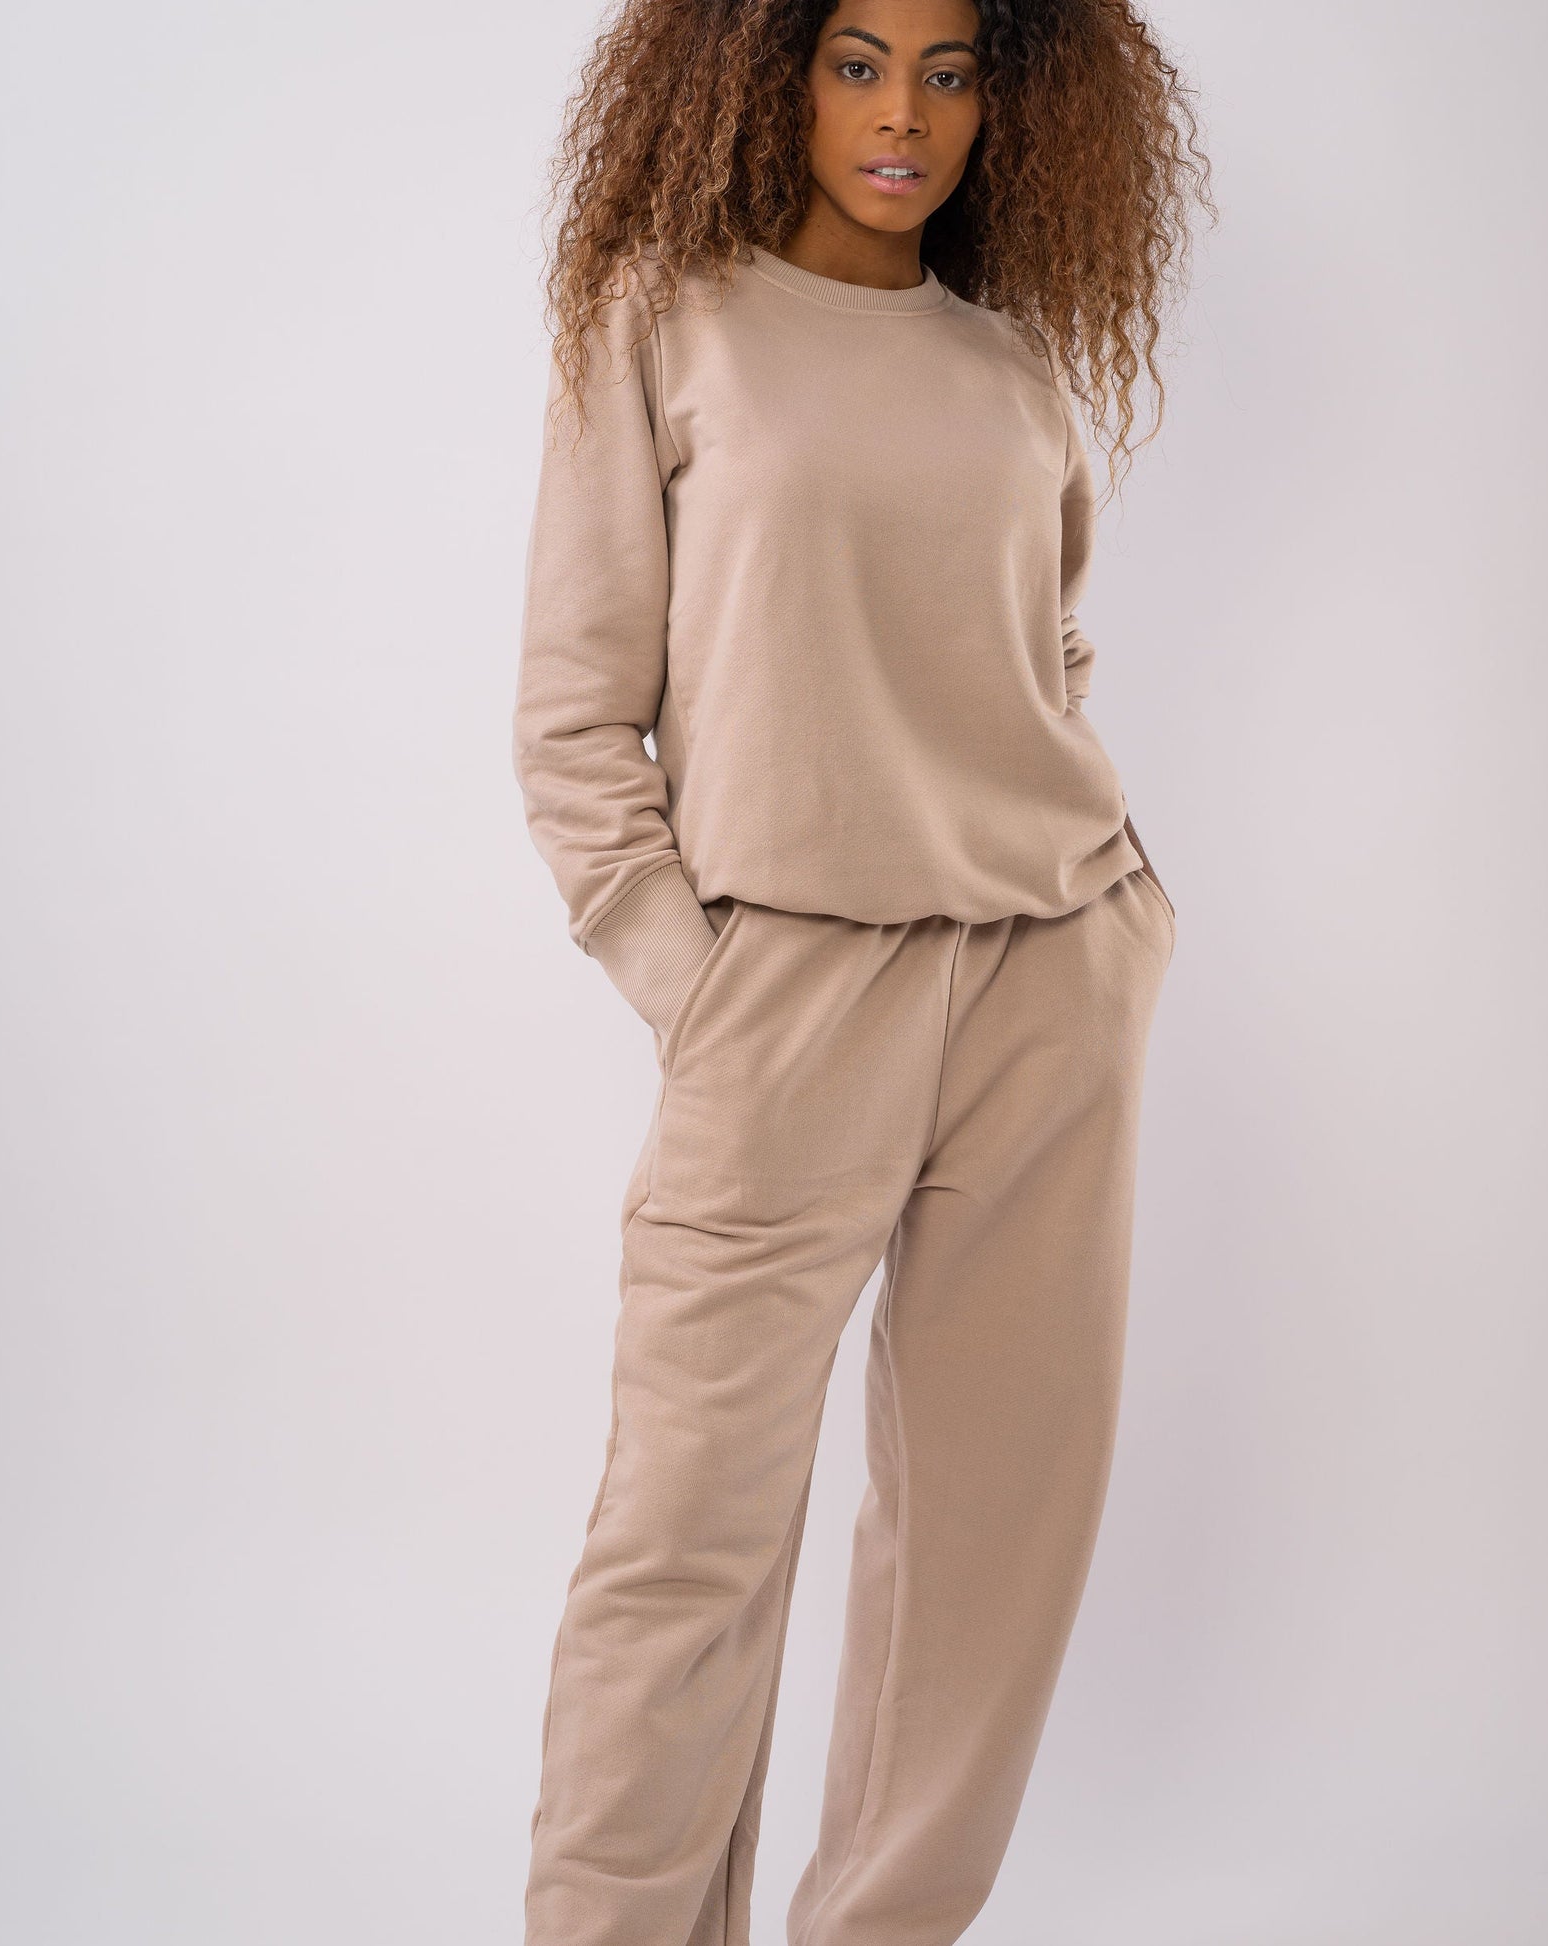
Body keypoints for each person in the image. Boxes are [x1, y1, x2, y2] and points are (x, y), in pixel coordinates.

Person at [509, 2, 1213, 1940]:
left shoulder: (1009, 362)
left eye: (950, 68)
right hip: (786, 994)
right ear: (763, 73)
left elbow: (1042, 661)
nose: (904, 111)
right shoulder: (665, 319)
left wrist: (1115, 930)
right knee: (682, 1551)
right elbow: (572, 719)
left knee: (988, 1554)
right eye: (853, 59)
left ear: (1011, 94)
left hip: (1048, 977)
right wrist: (699, 989)